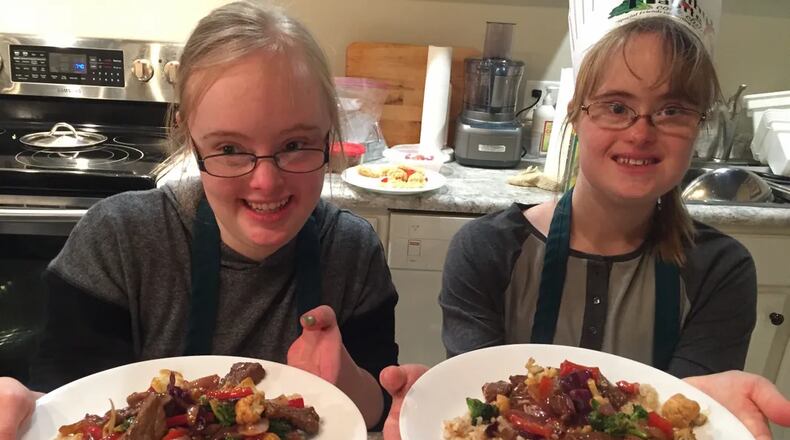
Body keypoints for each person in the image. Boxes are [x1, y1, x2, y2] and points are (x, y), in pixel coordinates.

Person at [0, 1, 409, 438]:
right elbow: (67, 409)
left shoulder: (352, 250)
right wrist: (19, 408)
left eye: (294, 144)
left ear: (329, 133)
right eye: (229, 149)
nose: (266, 182)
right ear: (189, 136)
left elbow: (376, 414)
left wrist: (346, 379)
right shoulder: (116, 241)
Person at [383, 15, 790, 440]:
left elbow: (689, 419)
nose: (641, 133)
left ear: (697, 127)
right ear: (576, 117)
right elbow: (484, 414)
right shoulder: (486, 250)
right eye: (616, 107)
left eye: (672, 111)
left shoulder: (721, 270)